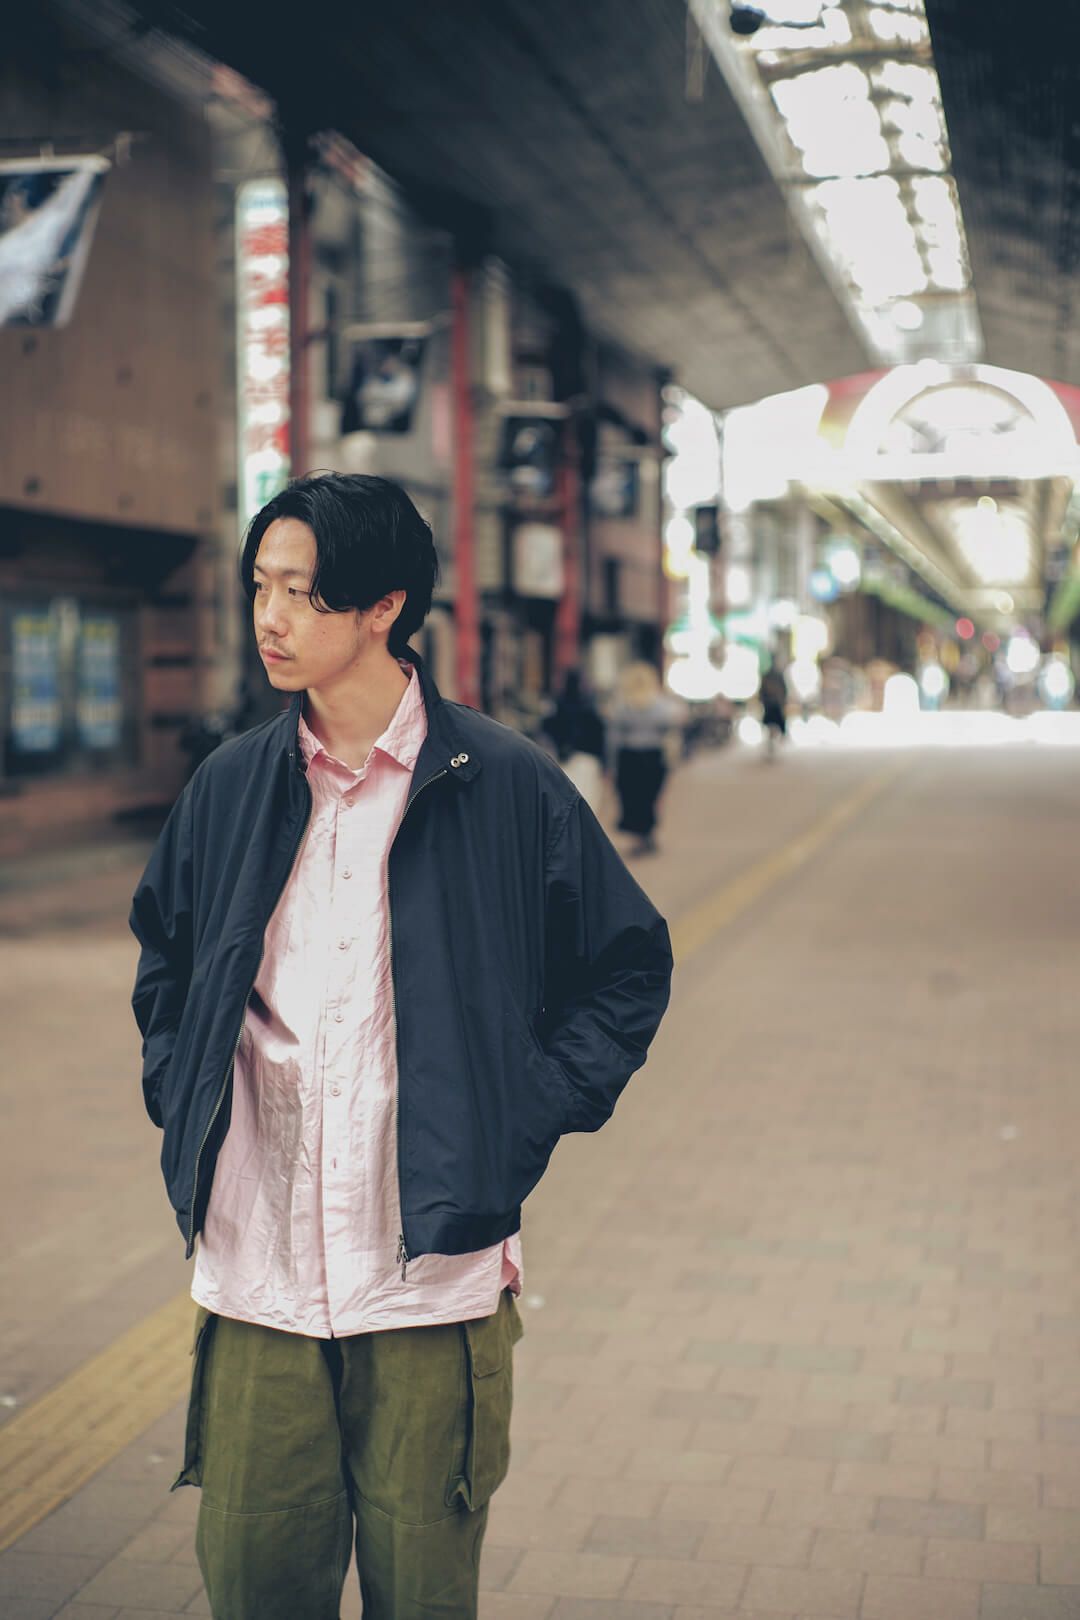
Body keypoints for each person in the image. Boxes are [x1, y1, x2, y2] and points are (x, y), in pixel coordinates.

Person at [129, 473, 673, 1620]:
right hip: (258, 1279)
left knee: (423, 1596)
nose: (271, 617)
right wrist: (180, 1090)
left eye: (302, 593)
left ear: (383, 607)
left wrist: (521, 1114)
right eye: (262, 587)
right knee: (255, 1589)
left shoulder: (504, 782)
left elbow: (627, 964)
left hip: (428, 1286)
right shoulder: (230, 787)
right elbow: (166, 958)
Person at [608, 660, 680, 855]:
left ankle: (641, 836)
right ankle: (647, 834)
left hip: (630, 757)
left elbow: (614, 737)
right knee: (650, 798)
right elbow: (670, 727)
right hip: (653, 756)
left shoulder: (623, 706)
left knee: (633, 799)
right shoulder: (660, 705)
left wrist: (611, 764)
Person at [543, 668, 607, 812]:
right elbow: (599, 736)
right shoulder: (590, 708)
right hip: (587, 760)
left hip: (562, 760)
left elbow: (547, 729)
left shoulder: (557, 708)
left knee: (565, 806)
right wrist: (604, 763)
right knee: (588, 805)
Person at [759, 658, 788, 759]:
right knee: (772, 727)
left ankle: (772, 743)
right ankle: (771, 744)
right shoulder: (772, 676)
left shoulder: (774, 676)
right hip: (771, 705)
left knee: (773, 726)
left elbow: (783, 690)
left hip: (773, 704)